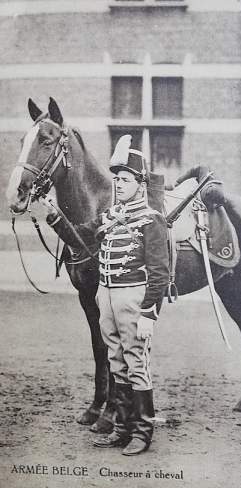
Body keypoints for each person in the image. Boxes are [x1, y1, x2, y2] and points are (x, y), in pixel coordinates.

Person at [43, 135, 169, 456]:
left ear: (140, 184)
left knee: (137, 364)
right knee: (117, 362)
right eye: (116, 179)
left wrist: (148, 314)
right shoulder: (111, 217)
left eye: (125, 180)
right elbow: (81, 235)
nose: (119, 184)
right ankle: (123, 428)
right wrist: (55, 216)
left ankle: (142, 432)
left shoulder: (150, 220)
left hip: (132, 299)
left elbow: (159, 273)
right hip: (107, 298)